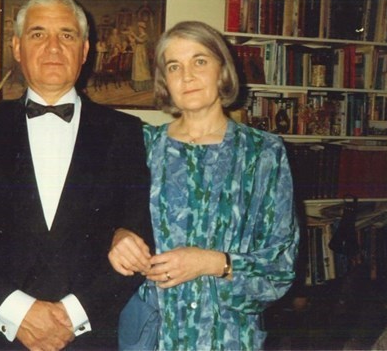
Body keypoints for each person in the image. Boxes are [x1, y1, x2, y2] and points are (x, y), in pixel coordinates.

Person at [0, 0, 154, 351]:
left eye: (67, 35)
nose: (53, 47)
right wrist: (19, 314)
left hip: (88, 337)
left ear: (85, 51)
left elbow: (139, 239)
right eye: (38, 34)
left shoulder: (126, 132)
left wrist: (72, 316)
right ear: (18, 48)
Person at [108, 21, 299, 350]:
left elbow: (280, 266)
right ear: (164, 82)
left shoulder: (263, 153)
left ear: (222, 71)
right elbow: (100, 222)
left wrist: (210, 262)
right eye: (174, 66)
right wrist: (118, 234)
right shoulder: (141, 146)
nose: (187, 76)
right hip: (150, 334)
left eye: (199, 61)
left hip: (228, 335)